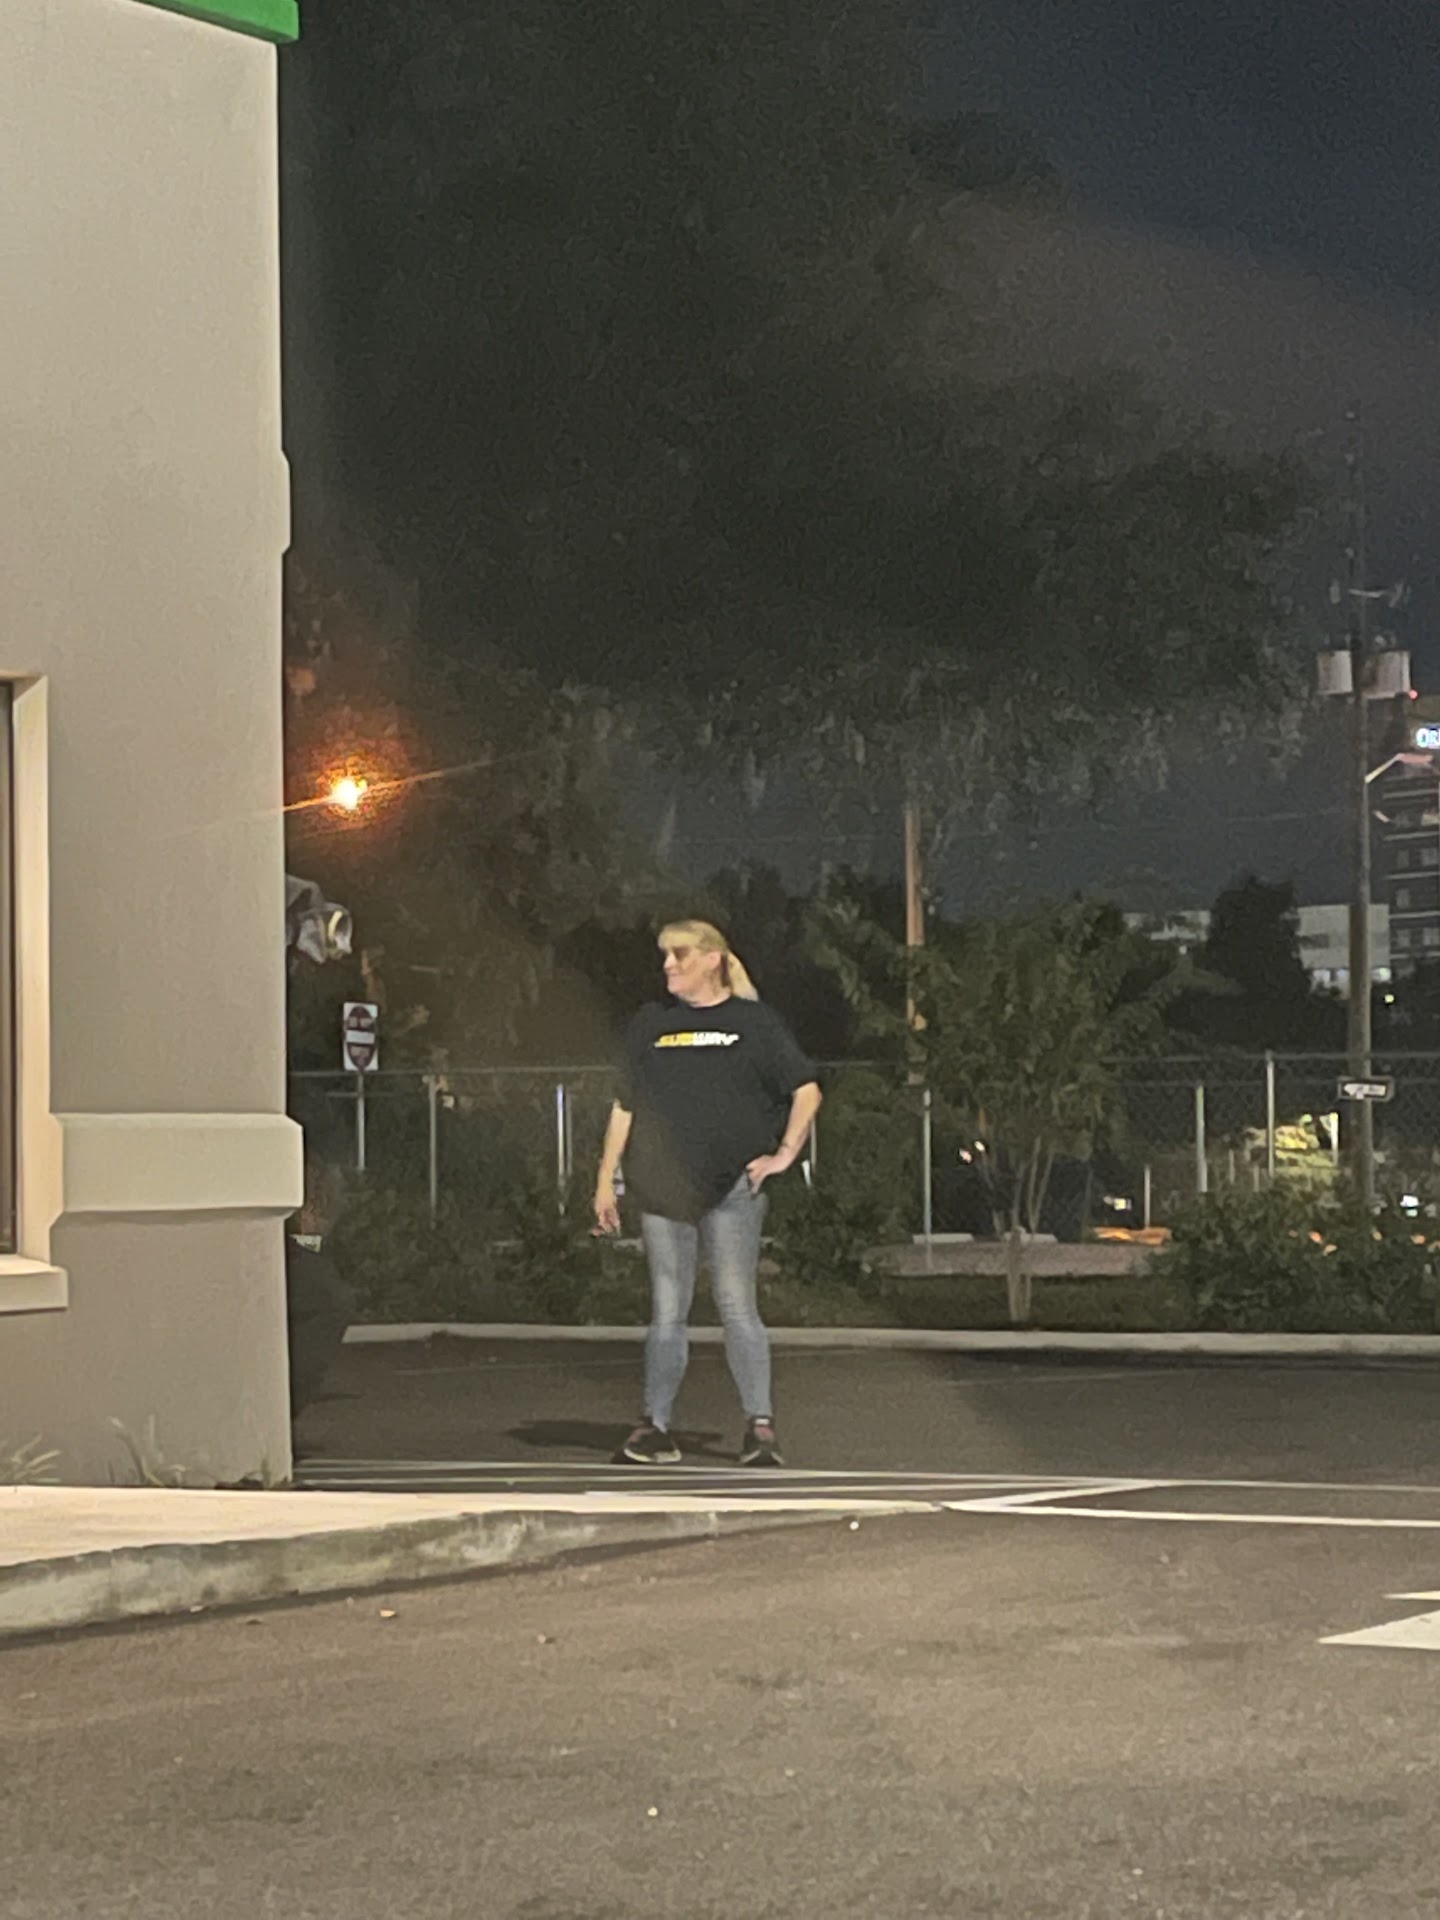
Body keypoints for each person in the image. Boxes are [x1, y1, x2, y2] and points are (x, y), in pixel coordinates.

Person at [593, 919, 822, 1467]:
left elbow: (807, 1090)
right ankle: (654, 1428)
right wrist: (605, 1180)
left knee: (736, 1304)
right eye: (665, 956)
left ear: (713, 959)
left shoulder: (754, 1022)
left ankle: (760, 1428)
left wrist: (784, 1154)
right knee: (667, 1310)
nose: (668, 965)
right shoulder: (651, 1023)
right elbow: (624, 1104)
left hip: (732, 1189)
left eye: (680, 955)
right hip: (661, 1188)